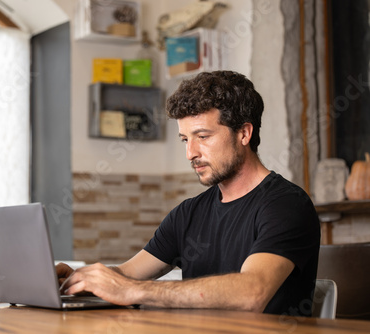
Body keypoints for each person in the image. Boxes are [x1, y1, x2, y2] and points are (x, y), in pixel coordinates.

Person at [58, 71, 320, 316]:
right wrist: (79, 278)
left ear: (244, 133)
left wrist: (133, 291)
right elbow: (127, 275)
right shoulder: (188, 213)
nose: (190, 153)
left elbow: (252, 292)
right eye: (185, 139)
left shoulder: (286, 205)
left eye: (203, 136)